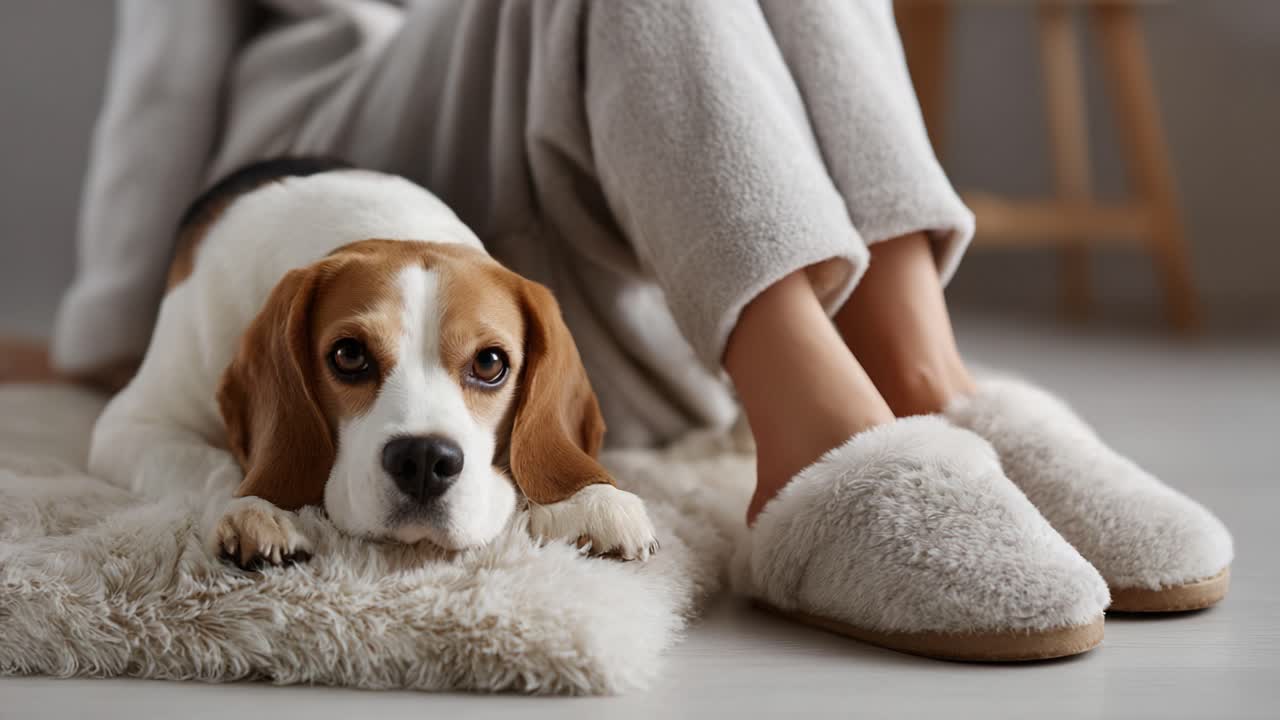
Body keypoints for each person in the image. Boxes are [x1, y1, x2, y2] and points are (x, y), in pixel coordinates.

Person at [2, 0, 1231, 659]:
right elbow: (165, 81)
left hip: (572, 211)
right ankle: (816, 425)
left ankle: (924, 382)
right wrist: (124, 329)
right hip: (330, 132)